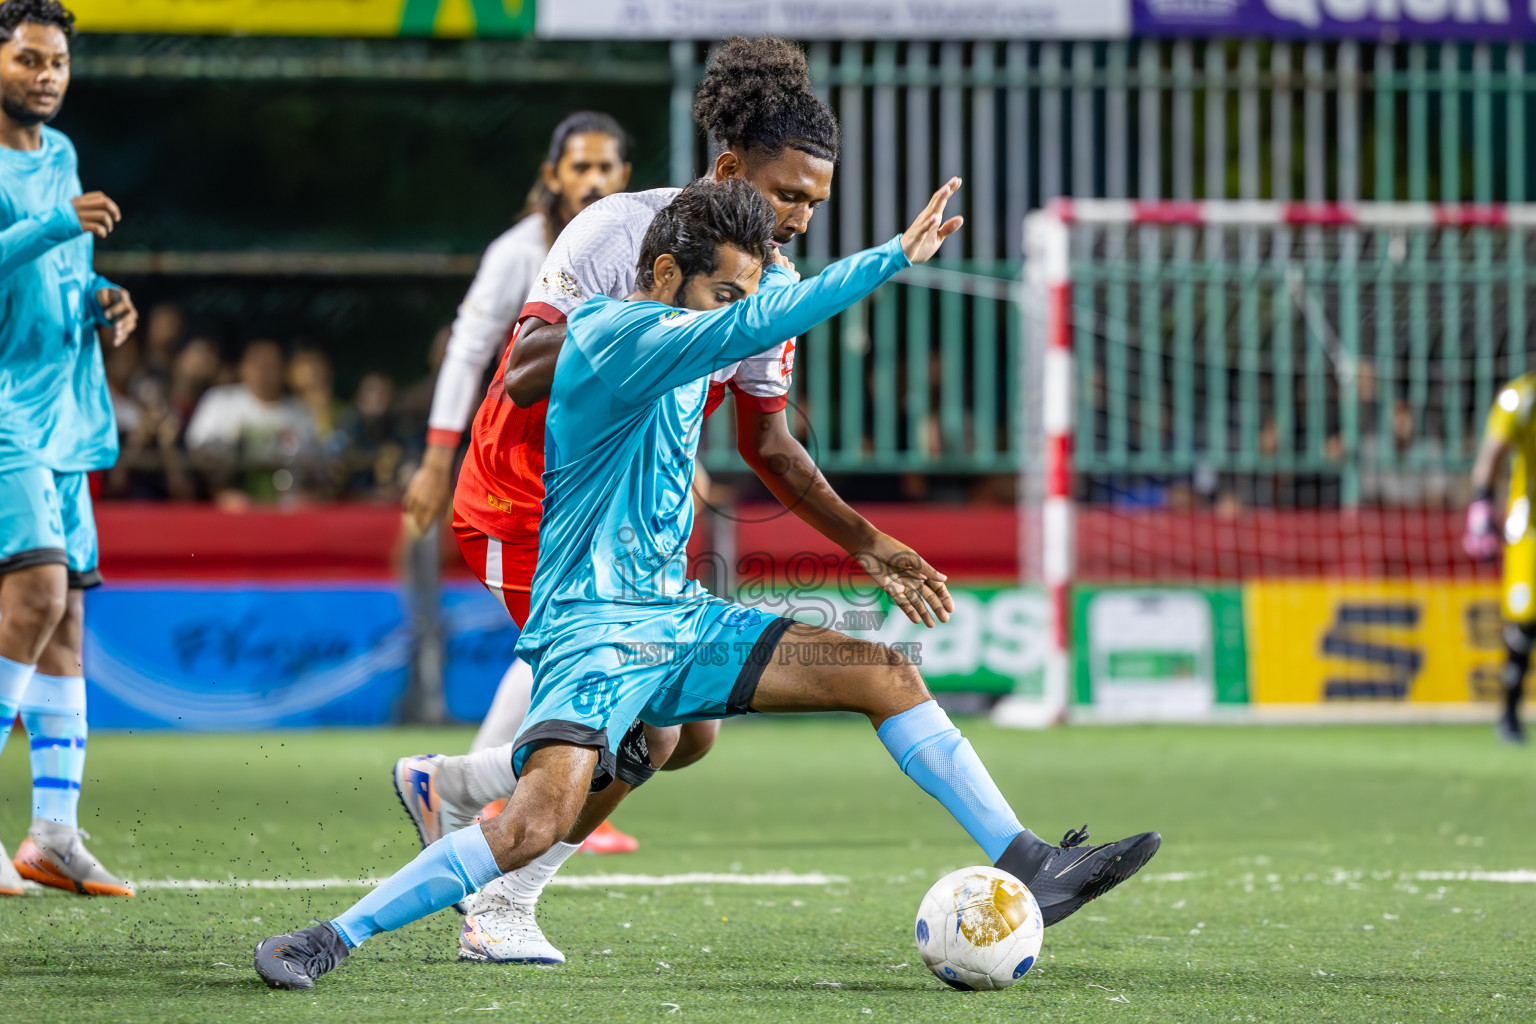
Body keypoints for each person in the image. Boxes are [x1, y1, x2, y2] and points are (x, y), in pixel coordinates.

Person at [253, 178, 1162, 990]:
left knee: (879, 675)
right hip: (595, 627)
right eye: (722, 292)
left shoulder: (690, 333)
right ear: (658, 277)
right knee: (533, 823)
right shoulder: (616, 332)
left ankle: (1029, 859)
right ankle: (332, 936)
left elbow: (762, 398)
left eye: (741, 291)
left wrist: (862, 538)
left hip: (674, 617)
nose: (735, 309)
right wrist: (892, 256)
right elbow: (754, 326)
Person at [398, 36, 951, 967]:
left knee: (689, 734)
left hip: (628, 530)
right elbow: (525, 372)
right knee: (646, 719)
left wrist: (867, 542)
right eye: (789, 197)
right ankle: (499, 900)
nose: (803, 221)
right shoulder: (623, 234)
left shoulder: (762, 284)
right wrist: (653, 337)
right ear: (731, 168)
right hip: (526, 506)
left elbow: (770, 446)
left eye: (816, 204)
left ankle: (453, 784)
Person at [399, 110, 636, 853]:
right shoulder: (521, 252)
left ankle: (506, 789)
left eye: (606, 168)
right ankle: (484, 791)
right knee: (568, 640)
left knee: (571, 640)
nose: (593, 180)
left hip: (577, 491)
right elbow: (469, 352)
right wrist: (437, 462)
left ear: (625, 176)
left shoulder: (633, 245)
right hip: (513, 488)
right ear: (553, 174)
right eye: (580, 167)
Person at [0, 0, 137, 898]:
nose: (46, 75)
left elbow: (62, 272)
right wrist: (60, 227)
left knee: (67, 624)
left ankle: (53, 833)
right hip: (5, 407)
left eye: (57, 63)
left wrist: (103, 300)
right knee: (37, 590)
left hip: (66, 408)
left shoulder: (61, 155)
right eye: (27, 60)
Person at [1465, 374, 1536, 743]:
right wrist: (1480, 505)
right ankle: (1509, 711)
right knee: (1525, 619)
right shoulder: (1519, 398)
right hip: (1530, 529)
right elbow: (1492, 451)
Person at [185, 338, 317, 504]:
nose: (263, 371)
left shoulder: (300, 413)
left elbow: (310, 466)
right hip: (225, 503)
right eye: (257, 364)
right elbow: (197, 454)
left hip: (286, 507)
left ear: (284, 370)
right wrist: (221, 492)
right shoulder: (219, 401)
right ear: (242, 367)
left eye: (271, 365)